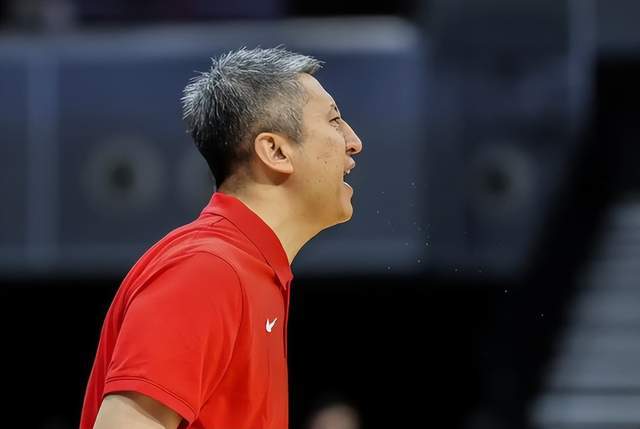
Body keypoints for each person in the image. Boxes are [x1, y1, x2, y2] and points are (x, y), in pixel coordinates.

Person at [79, 47, 363, 429]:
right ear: (275, 151)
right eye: (334, 121)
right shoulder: (207, 269)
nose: (354, 141)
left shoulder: (251, 271)